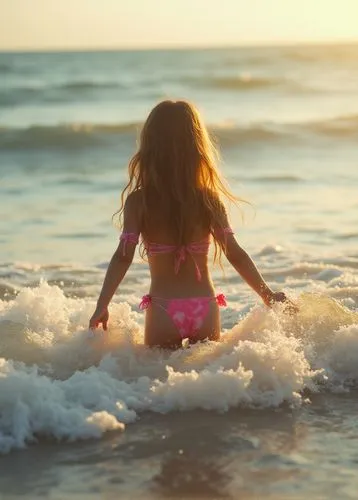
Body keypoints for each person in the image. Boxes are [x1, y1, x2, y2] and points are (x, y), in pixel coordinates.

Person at [89, 100, 288, 348]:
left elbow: (123, 257)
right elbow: (234, 253)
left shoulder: (139, 201)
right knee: (203, 380)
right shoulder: (208, 199)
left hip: (164, 309)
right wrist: (267, 295)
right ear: (197, 145)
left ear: (149, 146)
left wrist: (102, 305)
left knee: (160, 382)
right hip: (204, 306)